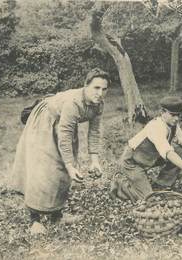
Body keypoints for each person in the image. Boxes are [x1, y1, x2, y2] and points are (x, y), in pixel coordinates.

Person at [11, 68, 110, 234]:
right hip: (44, 121)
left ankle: (56, 215)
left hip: (64, 125)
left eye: (104, 89)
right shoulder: (73, 103)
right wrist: (71, 167)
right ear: (86, 86)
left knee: (63, 169)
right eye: (96, 88)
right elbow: (64, 137)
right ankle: (34, 220)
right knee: (42, 170)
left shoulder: (99, 104)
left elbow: (94, 131)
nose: (100, 93)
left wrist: (95, 161)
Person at [110, 96, 182, 203]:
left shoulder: (173, 125)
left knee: (181, 151)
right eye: (173, 115)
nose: (176, 118)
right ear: (162, 112)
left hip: (150, 158)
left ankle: (162, 185)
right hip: (132, 162)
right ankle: (121, 185)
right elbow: (168, 153)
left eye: (178, 115)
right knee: (149, 200)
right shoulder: (156, 126)